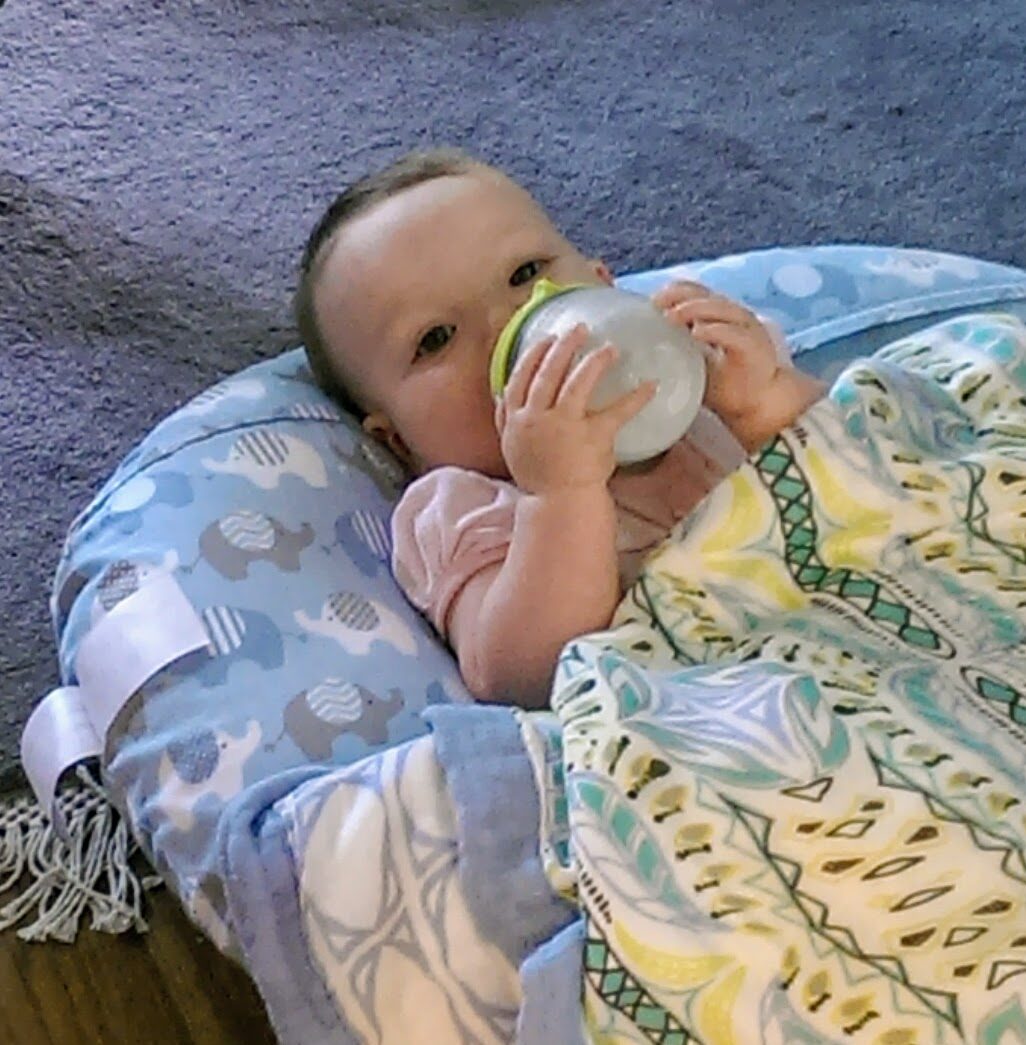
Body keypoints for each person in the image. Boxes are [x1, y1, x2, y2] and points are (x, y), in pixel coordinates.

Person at [294, 148, 826, 708]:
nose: (510, 326)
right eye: (436, 338)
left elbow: (874, 470)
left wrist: (768, 406)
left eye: (525, 273)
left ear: (606, 285)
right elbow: (524, 677)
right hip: (718, 707)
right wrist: (561, 495)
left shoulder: (710, 379)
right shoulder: (462, 508)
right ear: (399, 440)